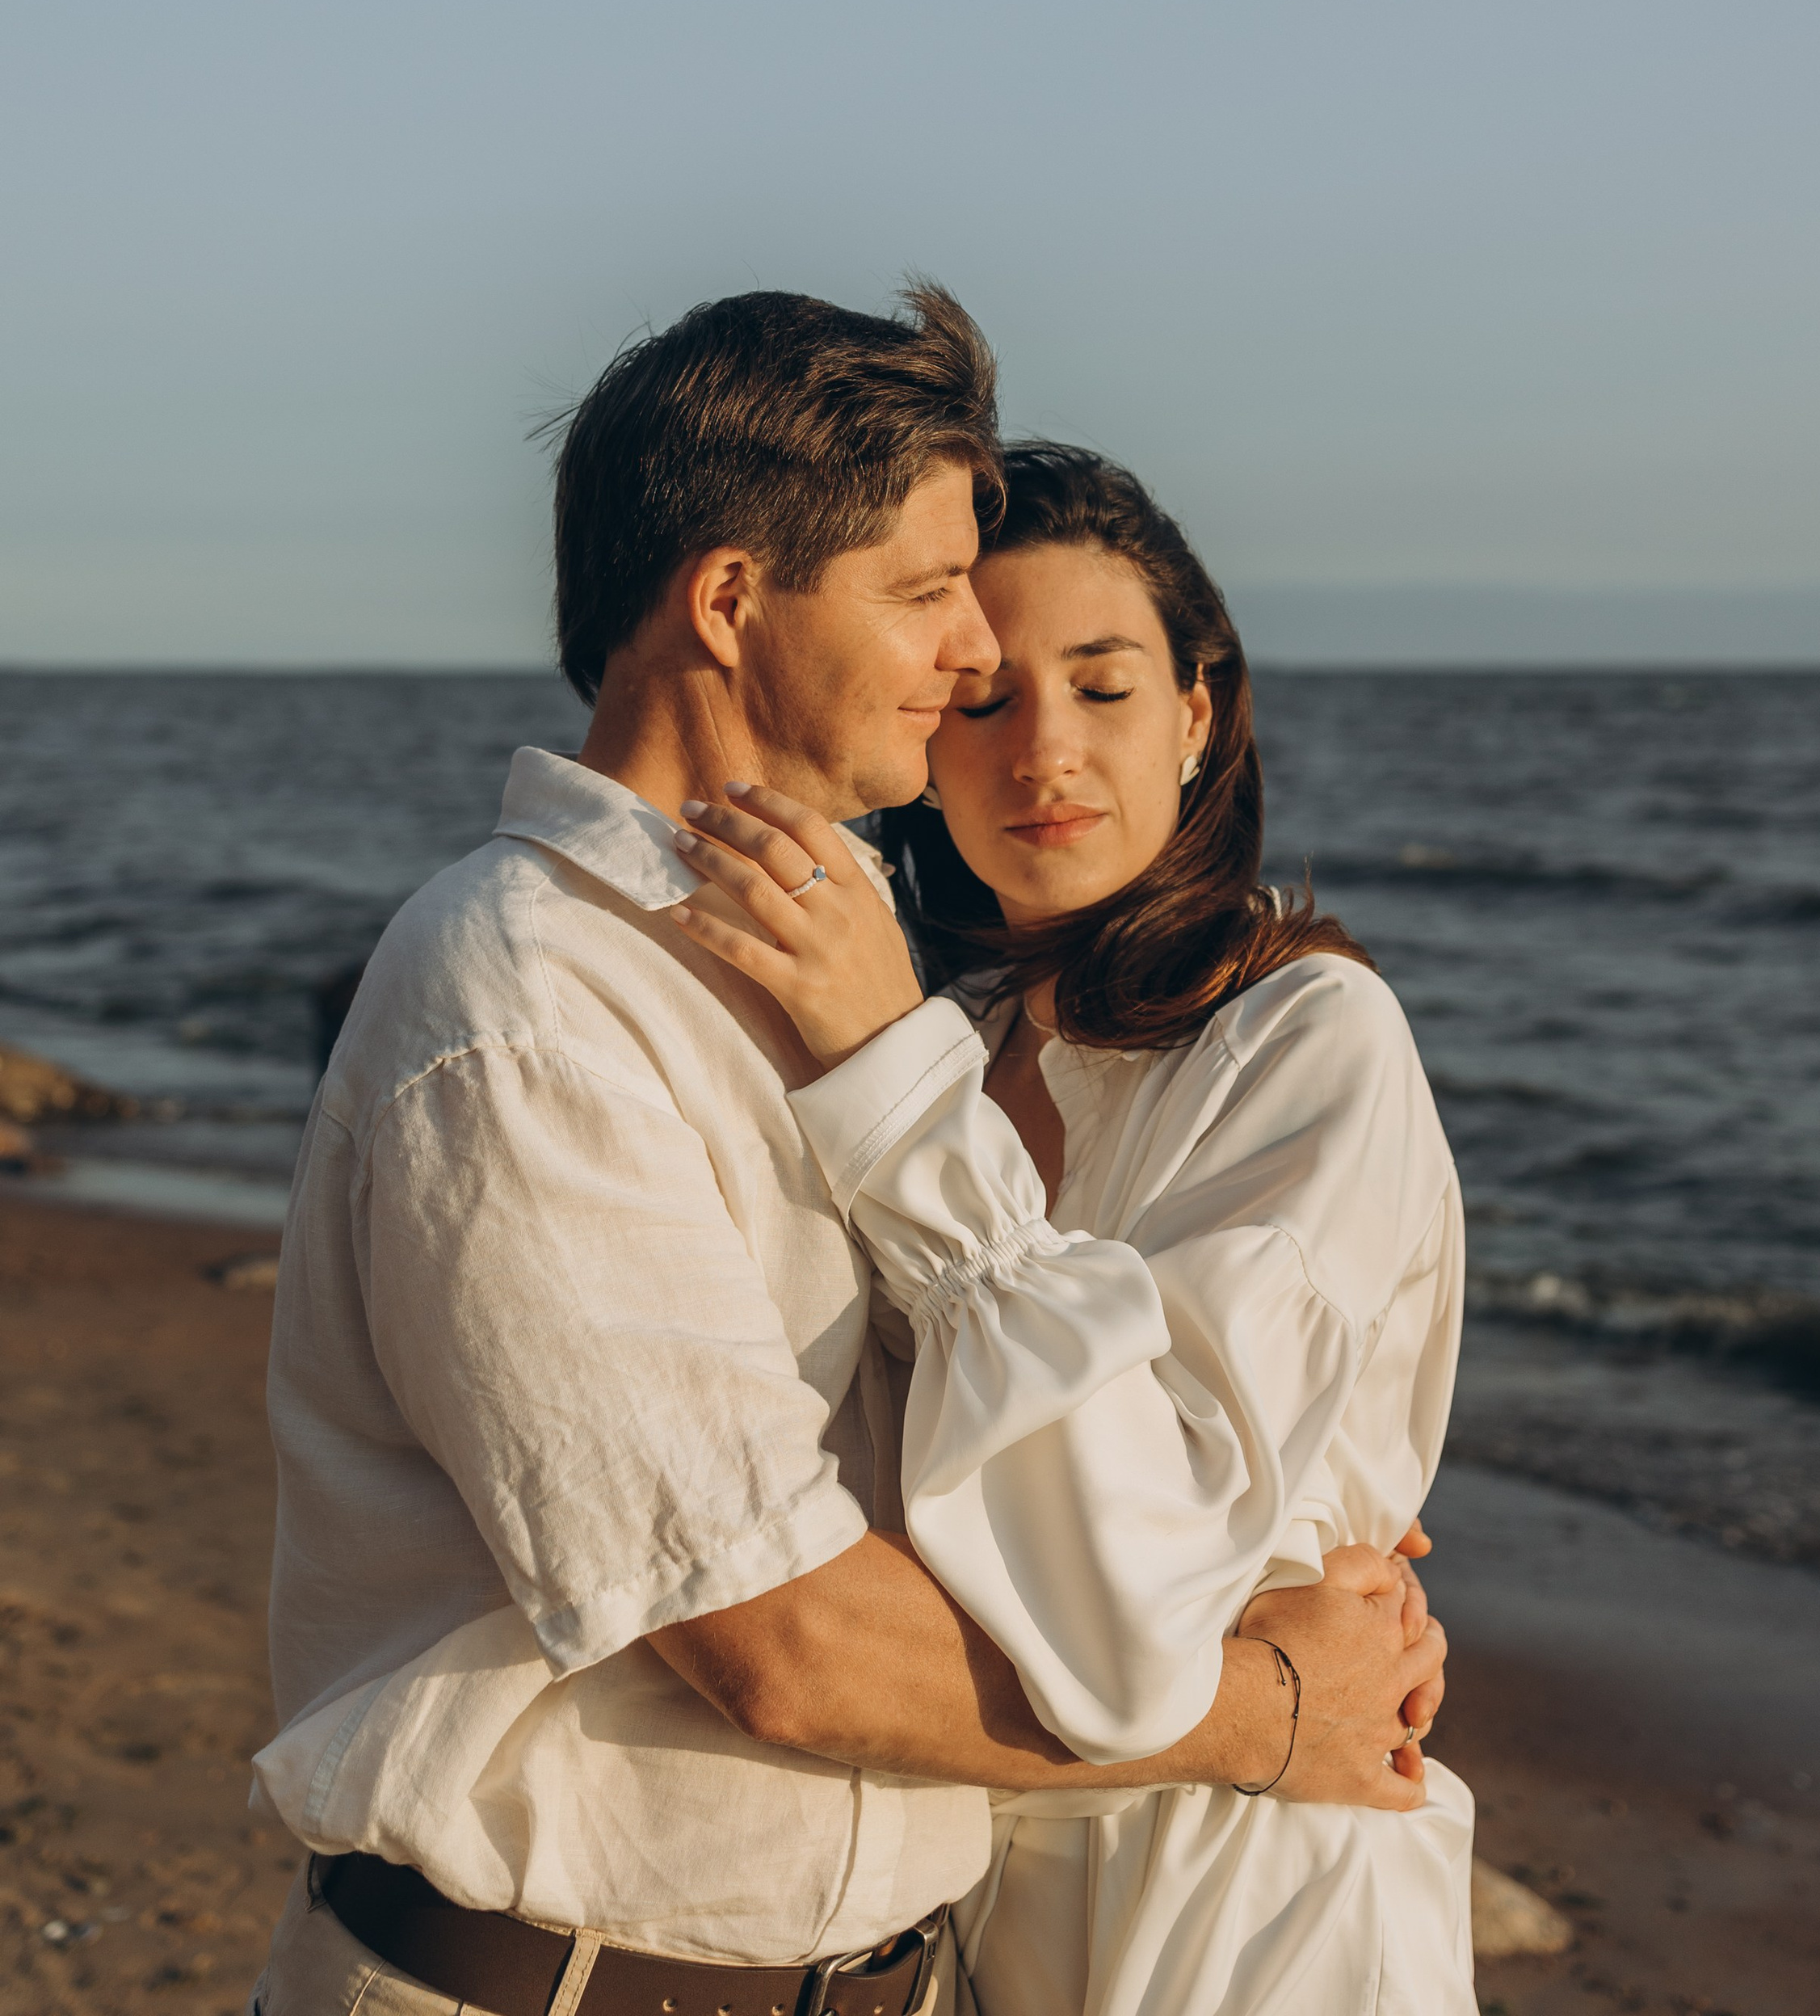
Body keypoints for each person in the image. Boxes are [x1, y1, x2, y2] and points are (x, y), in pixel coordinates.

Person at [250, 293, 1447, 2016]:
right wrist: (1264, 1713)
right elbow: (779, 1642)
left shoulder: (841, 980)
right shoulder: (532, 1006)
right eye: (926, 592)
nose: (973, 658)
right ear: (731, 601)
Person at [668, 441, 1473, 2016]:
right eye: (981, 697)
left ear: (1194, 714)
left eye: (1101, 688)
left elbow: (1140, 1559)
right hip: (968, 1866)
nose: (1042, 749)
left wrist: (883, 1074)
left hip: (1247, 1875)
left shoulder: (1307, 1037)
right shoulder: (935, 1039)